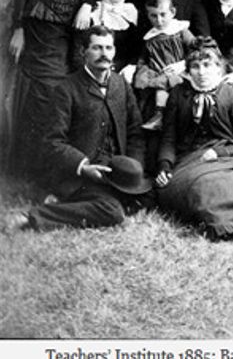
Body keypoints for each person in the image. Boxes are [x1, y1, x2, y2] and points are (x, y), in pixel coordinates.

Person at [9, 26, 153, 232]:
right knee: (112, 211)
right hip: (80, 174)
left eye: (108, 48)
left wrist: (132, 171)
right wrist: (83, 166)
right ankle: (33, 217)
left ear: (114, 51)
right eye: (97, 48)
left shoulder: (121, 85)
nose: (104, 54)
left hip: (116, 174)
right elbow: (51, 141)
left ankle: (75, 202)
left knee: (152, 195)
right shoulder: (66, 89)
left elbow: (135, 132)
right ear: (83, 51)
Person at [8, 0, 95, 180]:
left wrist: (86, 5)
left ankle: (57, 165)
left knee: (66, 89)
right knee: (44, 88)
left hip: (71, 27)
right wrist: (19, 28)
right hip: (41, 23)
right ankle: (28, 167)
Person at [156, 37, 233, 240]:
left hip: (226, 158)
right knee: (182, 190)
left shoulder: (230, 94)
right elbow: (169, 137)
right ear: (188, 70)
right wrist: (164, 166)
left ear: (218, 68)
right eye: (195, 66)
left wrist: (221, 151)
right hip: (190, 159)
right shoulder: (178, 94)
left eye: (207, 65)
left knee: (216, 185)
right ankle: (224, 219)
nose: (201, 72)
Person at [134, 0, 195, 131]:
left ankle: (170, 117)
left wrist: (183, 64)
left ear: (172, 12)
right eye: (153, 16)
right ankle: (159, 115)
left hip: (180, 71)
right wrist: (142, 70)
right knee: (155, 87)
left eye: (163, 15)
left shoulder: (180, 30)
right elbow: (144, 58)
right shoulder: (150, 38)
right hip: (159, 72)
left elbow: (196, 50)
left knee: (170, 87)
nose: (159, 20)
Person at [73, 0, 139, 72]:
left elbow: (138, 53)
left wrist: (131, 68)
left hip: (125, 75)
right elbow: (78, 55)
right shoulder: (91, 13)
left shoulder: (132, 13)